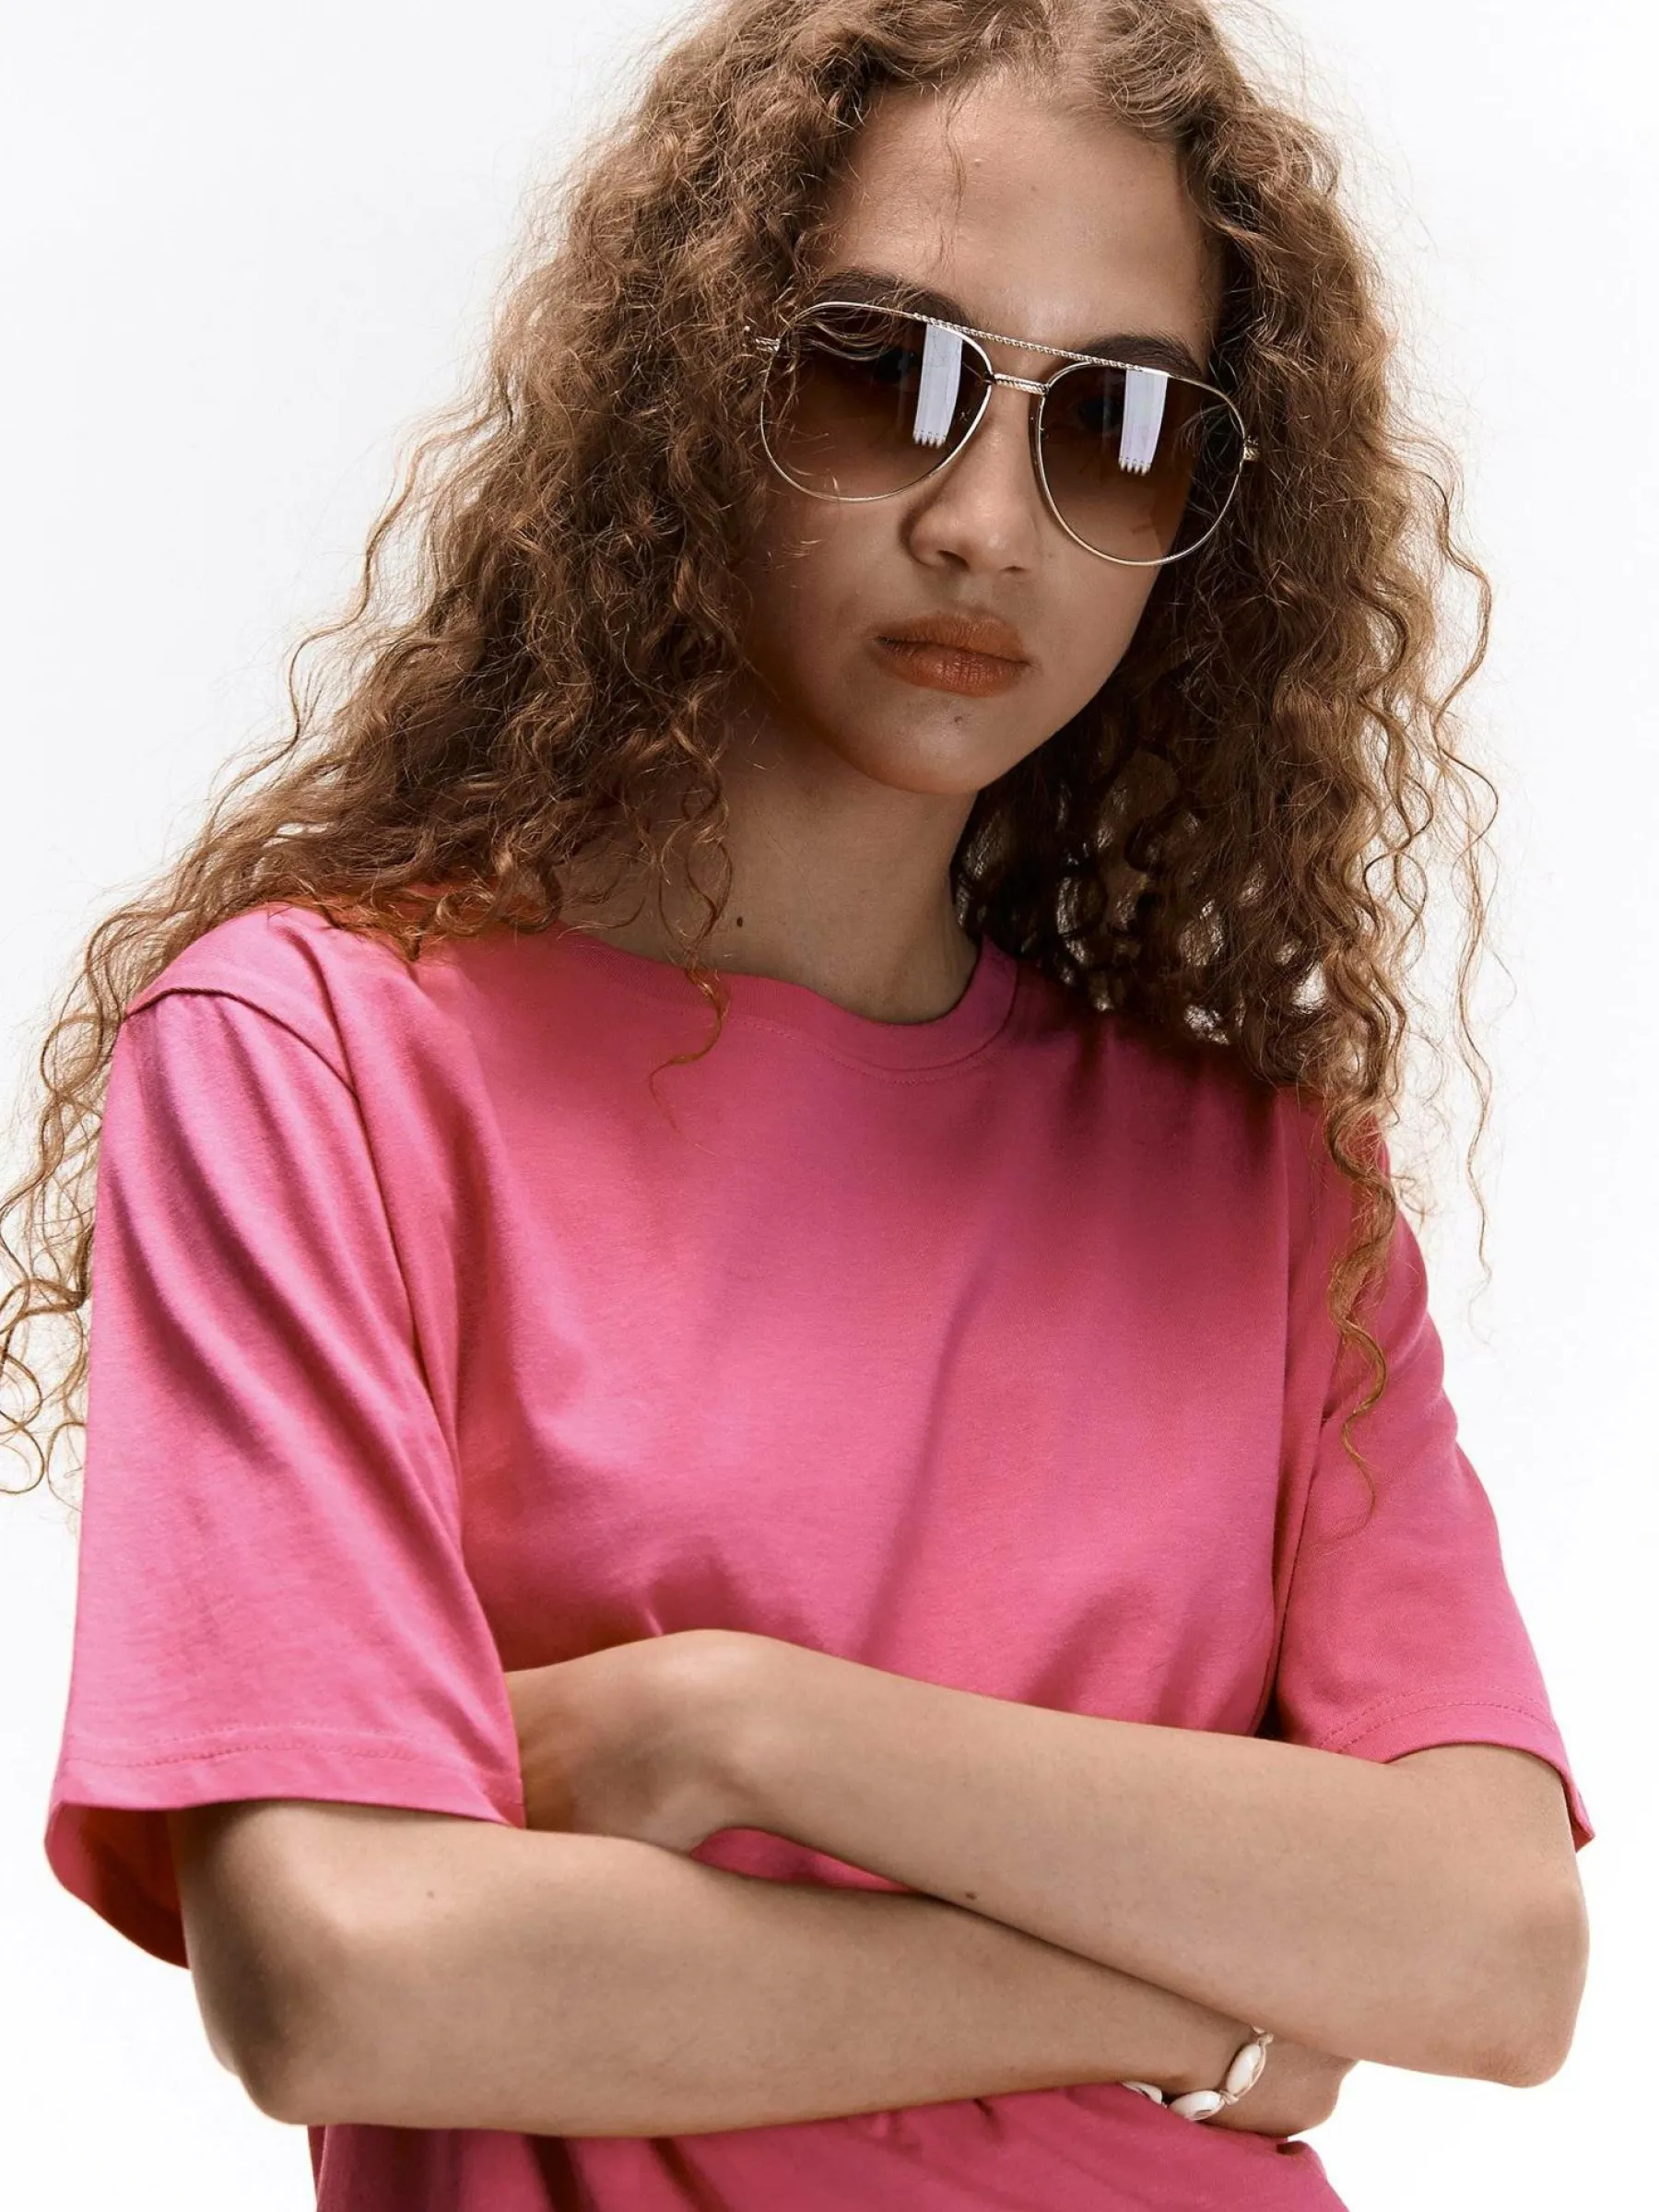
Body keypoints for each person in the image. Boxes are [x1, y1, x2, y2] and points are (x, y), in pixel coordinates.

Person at [6, 2, 1593, 2207]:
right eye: (881, 370)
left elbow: (1499, 1947)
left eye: (1118, 426)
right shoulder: (319, 1062)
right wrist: (1174, 1998)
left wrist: (731, 1724)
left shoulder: (1268, 1194)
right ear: (690, 391)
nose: (986, 523)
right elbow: (344, 1972)